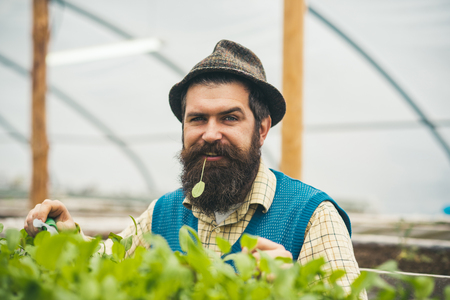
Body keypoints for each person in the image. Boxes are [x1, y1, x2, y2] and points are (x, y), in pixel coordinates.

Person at [24, 39, 365, 296]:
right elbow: (109, 263)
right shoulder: (163, 214)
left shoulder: (312, 216)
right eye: (198, 119)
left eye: (229, 118)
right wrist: (70, 238)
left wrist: (292, 288)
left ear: (261, 128)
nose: (210, 133)